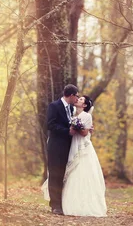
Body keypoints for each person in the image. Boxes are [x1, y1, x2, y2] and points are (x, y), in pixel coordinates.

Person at [45, 84, 87, 215]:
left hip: (68, 147)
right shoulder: (54, 106)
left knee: (63, 175)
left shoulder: (71, 109)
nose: (77, 98)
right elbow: (49, 124)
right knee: (55, 175)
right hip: (56, 146)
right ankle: (55, 205)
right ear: (71, 95)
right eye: (77, 96)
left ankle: (62, 203)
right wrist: (66, 131)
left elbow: (74, 124)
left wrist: (84, 129)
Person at [61, 95, 107, 217]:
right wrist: (72, 125)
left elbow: (85, 133)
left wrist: (75, 127)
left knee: (83, 172)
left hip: (83, 147)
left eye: (81, 99)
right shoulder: (73, 113)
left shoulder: (87, 116)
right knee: (74, 172)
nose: (78, 100)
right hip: (73, 145)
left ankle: (86, 204)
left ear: (85, 105)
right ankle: (71, 202)